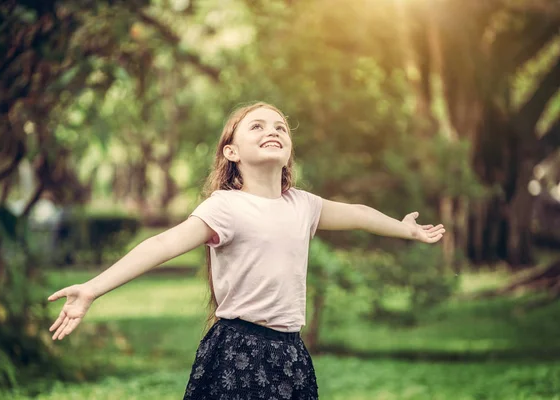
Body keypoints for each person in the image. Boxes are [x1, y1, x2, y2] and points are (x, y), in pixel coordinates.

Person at [48, 102, 445, 399]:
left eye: (280, 127)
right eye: (256, 126)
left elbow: (357, 213)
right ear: (231, 153)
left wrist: (404, 229)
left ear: (288, 151)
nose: (272, 130)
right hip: (237, 351)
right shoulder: (226, 206)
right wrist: (93, 288)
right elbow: (162, 244)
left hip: (290, 353)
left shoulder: (302, 205)